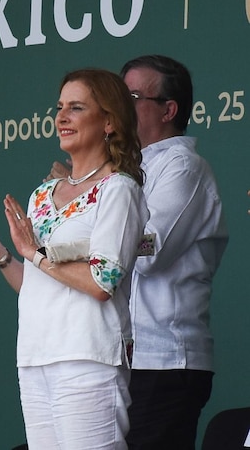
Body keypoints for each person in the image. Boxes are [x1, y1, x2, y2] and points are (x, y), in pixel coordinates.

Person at [0, 68, 148, 449]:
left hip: (87, 358)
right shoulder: (42, 195)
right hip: (35, 357)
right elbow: (36, 286)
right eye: (59, 107)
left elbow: (102, 282)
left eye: (76, 107)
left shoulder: (119, 189)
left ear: (108, 121)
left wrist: (36, 254)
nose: (61, 117)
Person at [50, 55, 228, 449]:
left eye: (131, 96)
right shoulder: (120, 171)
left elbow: (150, 249)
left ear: (169, 109)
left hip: (164, 359)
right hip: (120, 355)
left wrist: (96, 230)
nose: (119, 106)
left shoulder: (183, 167)